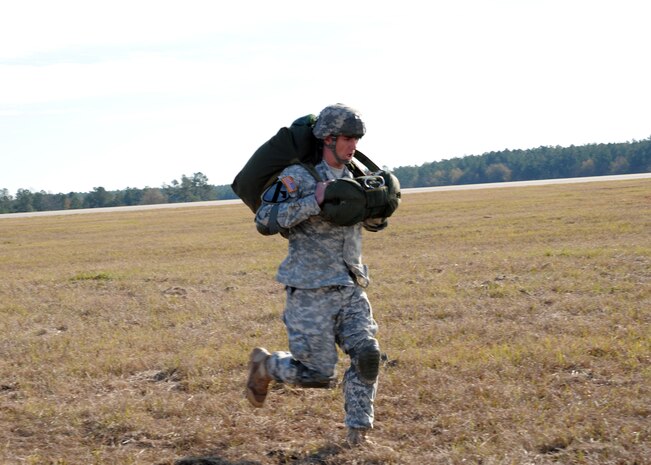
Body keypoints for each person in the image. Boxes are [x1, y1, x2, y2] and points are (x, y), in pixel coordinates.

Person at [245, 103, 388, 447]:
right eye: (347, 138)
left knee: (367, 354)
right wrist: (315, 199)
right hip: (309, 291)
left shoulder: (356, 174)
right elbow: (265, 219)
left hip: (350, 286)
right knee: (317, 375)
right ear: (328, 138)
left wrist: (378, 210)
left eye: (357, 138)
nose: (353, 145)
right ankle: (265, 365)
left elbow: (372, 223)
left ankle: (358, 435)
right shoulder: (299, 177)